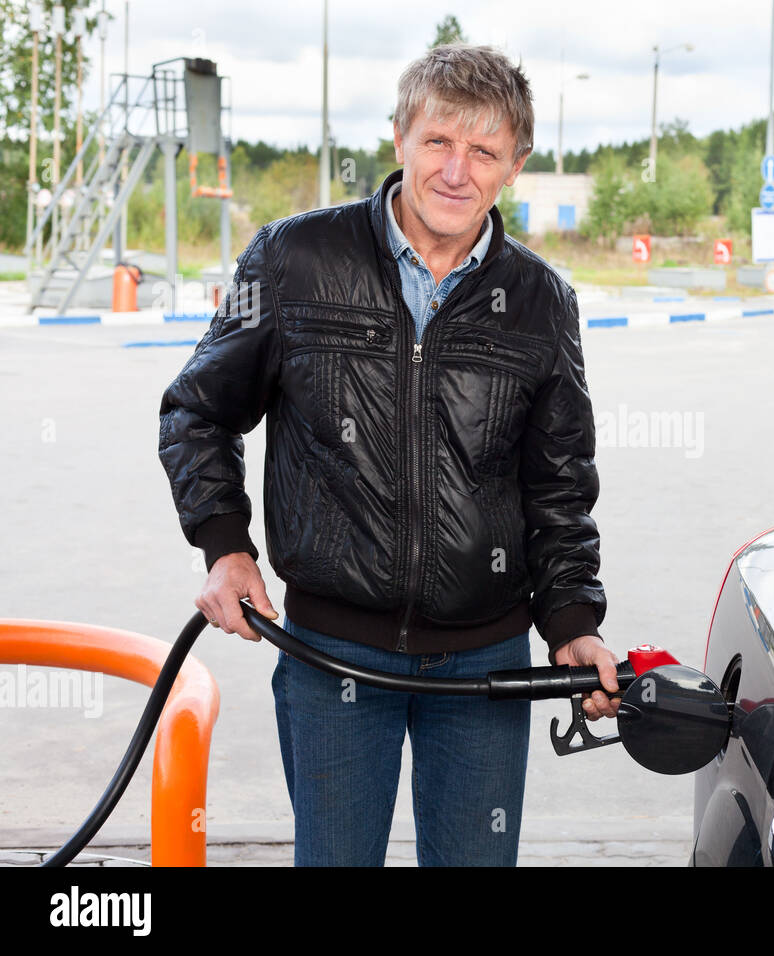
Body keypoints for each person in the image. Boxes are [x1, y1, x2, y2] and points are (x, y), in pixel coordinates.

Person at [158, 43, 621, 866]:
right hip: (331, 656)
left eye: (484, 150)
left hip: (486, 665)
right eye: (439, 140)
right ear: (399, 137)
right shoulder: (291, 260)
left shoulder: (543, 303)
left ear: (514, 165)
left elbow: (558, 486)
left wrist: (574, 622)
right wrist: (226, 547)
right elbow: (197, 410)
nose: (457, 169)